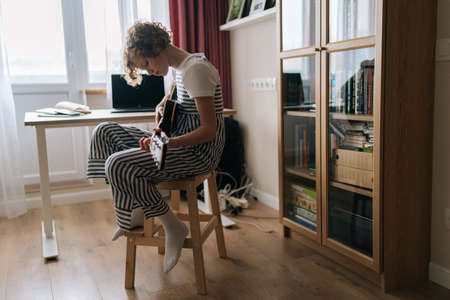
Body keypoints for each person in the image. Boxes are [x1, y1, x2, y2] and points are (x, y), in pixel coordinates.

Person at [86, 21, 225, 272]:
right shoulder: (182, 69)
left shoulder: (196, 70)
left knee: (116, 163)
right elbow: (178, 108)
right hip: (177, 145)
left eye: (147, 64)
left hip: (198, 153)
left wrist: (167, 143)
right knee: (103, 131)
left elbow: (209, 130)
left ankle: (172, 225)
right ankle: (138, 204)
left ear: (157, 46)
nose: (149, 72)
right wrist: (160, 109)